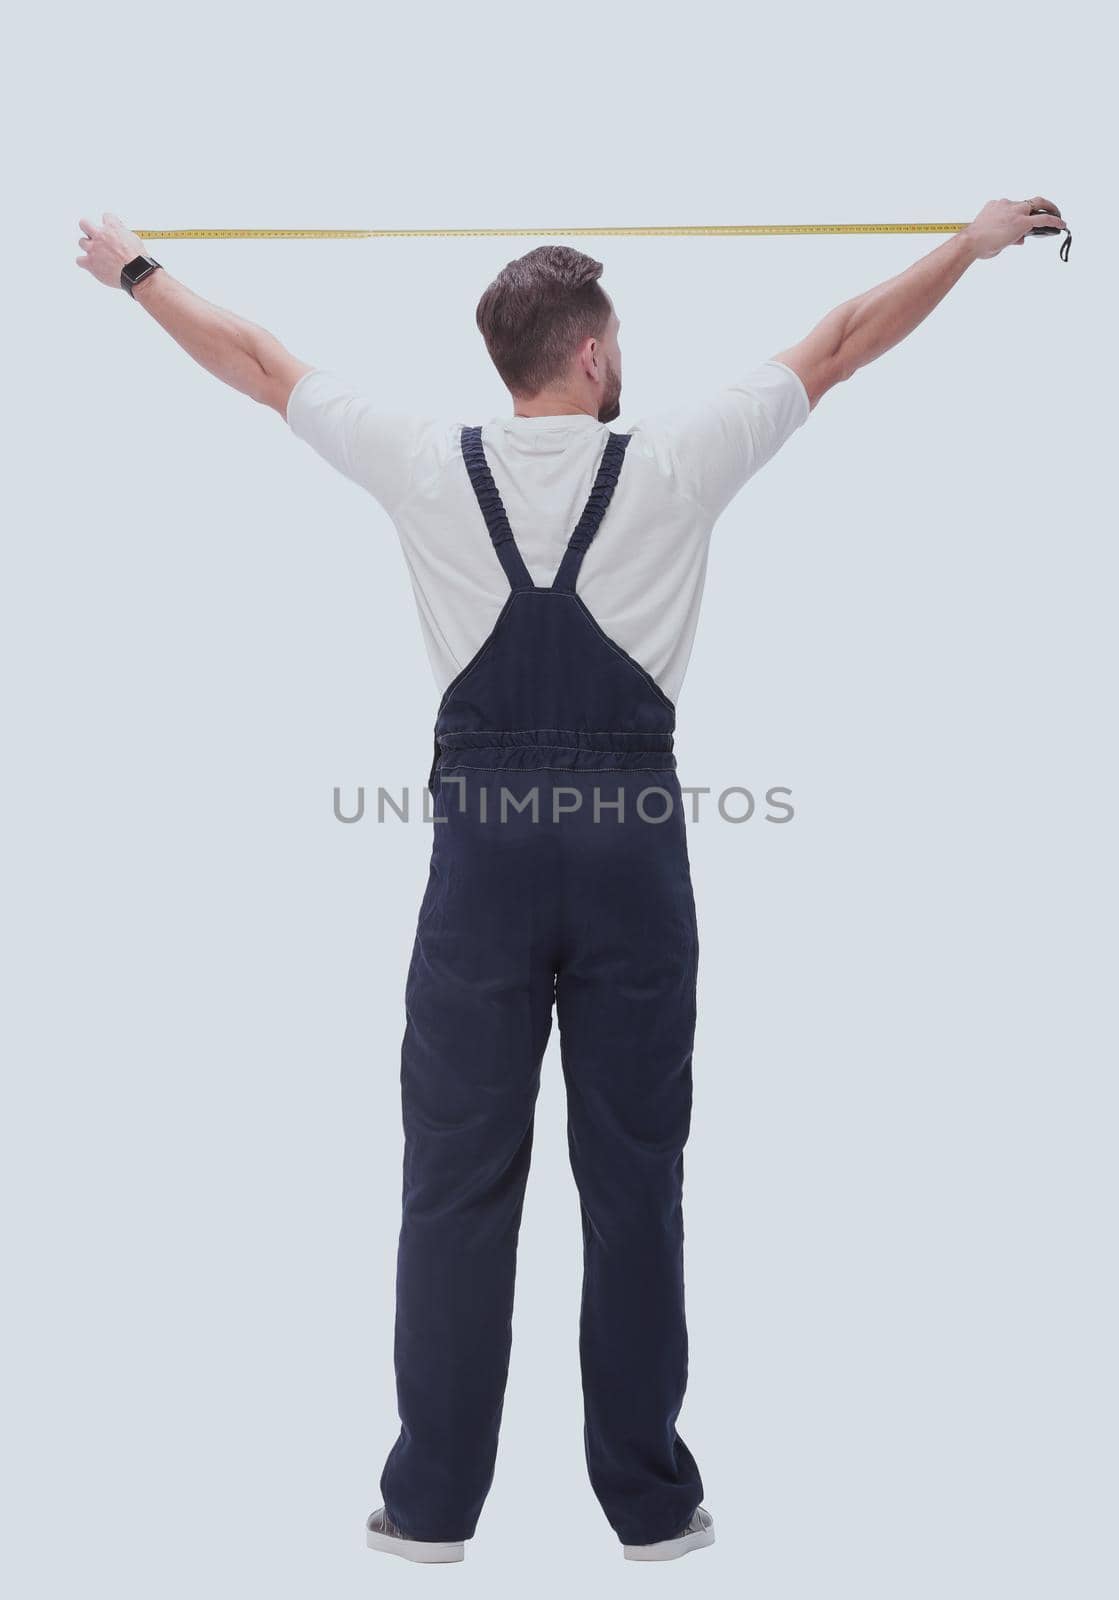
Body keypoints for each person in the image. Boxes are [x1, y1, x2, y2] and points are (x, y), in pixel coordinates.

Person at [75, 196, 1067, 1564]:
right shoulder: (675, 460)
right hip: (631, 862)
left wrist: (133, 268)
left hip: (480, 862)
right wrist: (972, 242)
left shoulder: (425, 460)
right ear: (594, 354)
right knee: (634, 1183)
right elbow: (840, 341)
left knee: (454, 1188)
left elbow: (253, 357)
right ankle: (652, 1509)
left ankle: (428, 1511)